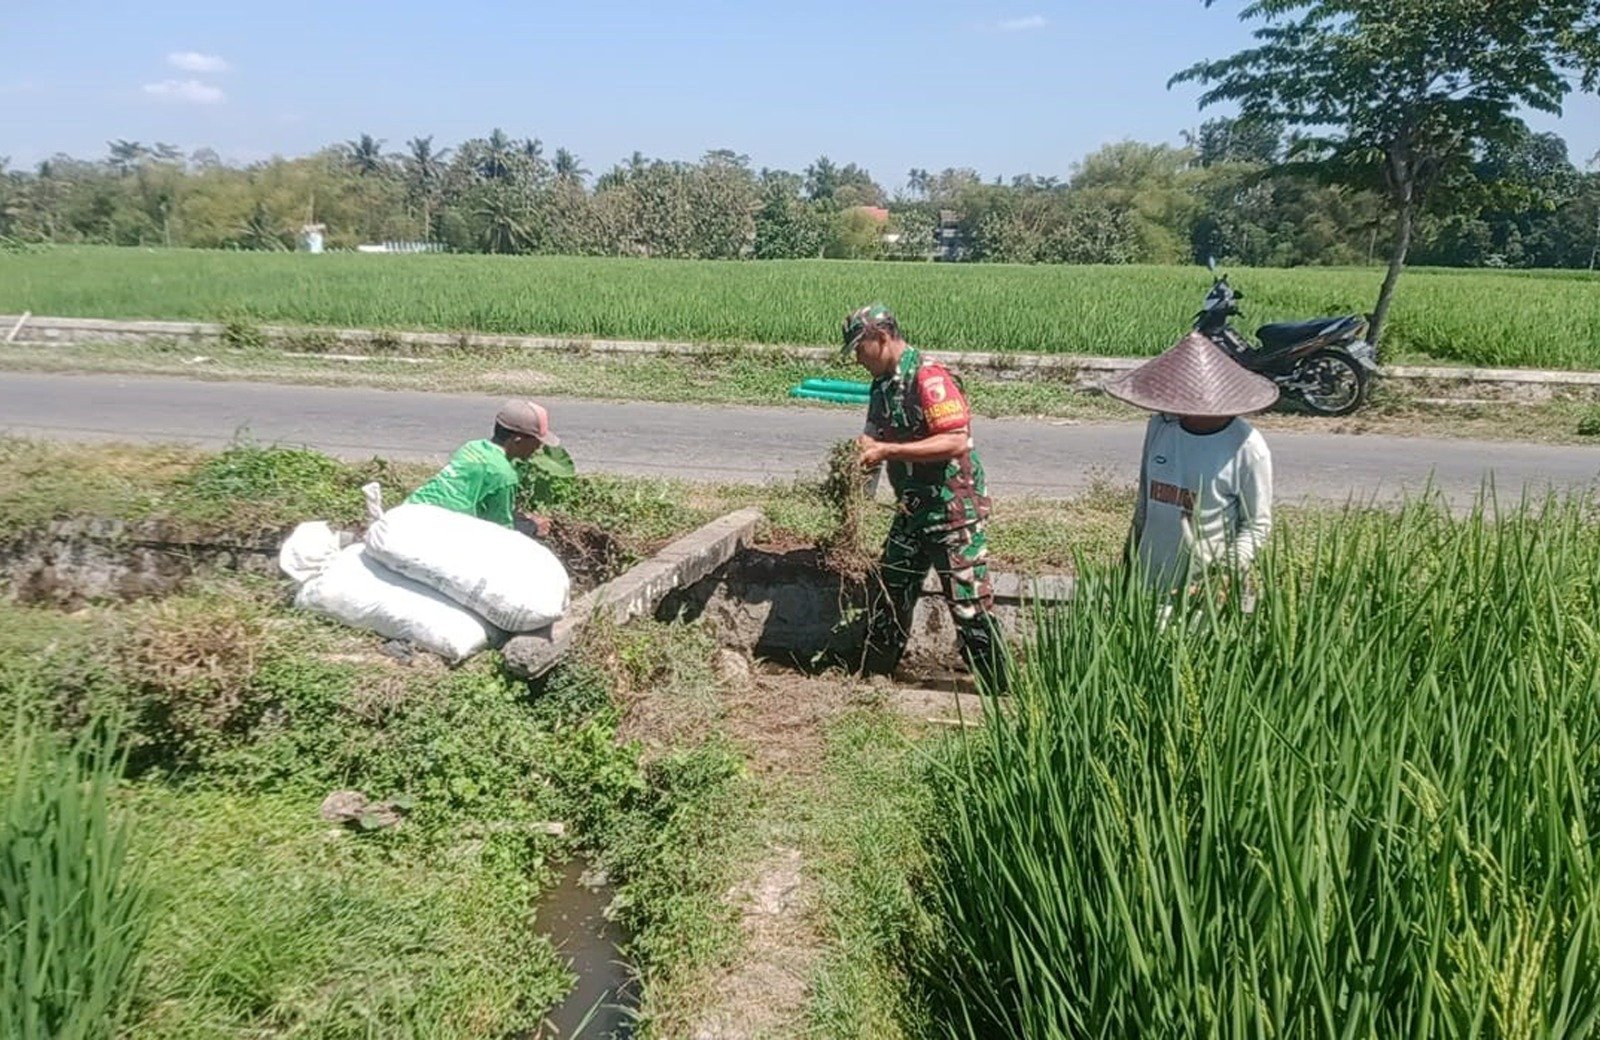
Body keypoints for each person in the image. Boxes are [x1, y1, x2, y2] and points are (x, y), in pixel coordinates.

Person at [843, 302, 1010, 694]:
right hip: (911, 510)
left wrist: (888, 452)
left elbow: (954, 439)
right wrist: (861, 476)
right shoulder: (882, 385)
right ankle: (874, 680)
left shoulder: (929, 377)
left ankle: (997, 691)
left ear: (881, 339)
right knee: (891, 591)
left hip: (953, 512)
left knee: (968, 604)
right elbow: (873, 440)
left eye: (859, 349)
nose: (856, 359)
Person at [1104, 332, 1276, 600]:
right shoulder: (1161, 427)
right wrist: (1129, 558)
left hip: (1202, 588)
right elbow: (1144, 504)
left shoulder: (1248, 448)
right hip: (1148, 578)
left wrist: (1223, 576)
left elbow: (1257, 525)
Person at [406, 399, 561, 537]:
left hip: (407, 514)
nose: (539, 447)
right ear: (518, 440)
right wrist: (532, 528)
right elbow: (499, 533)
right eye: (537, 441)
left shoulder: (472, 447)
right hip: (431, 532)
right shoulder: (504, 475)